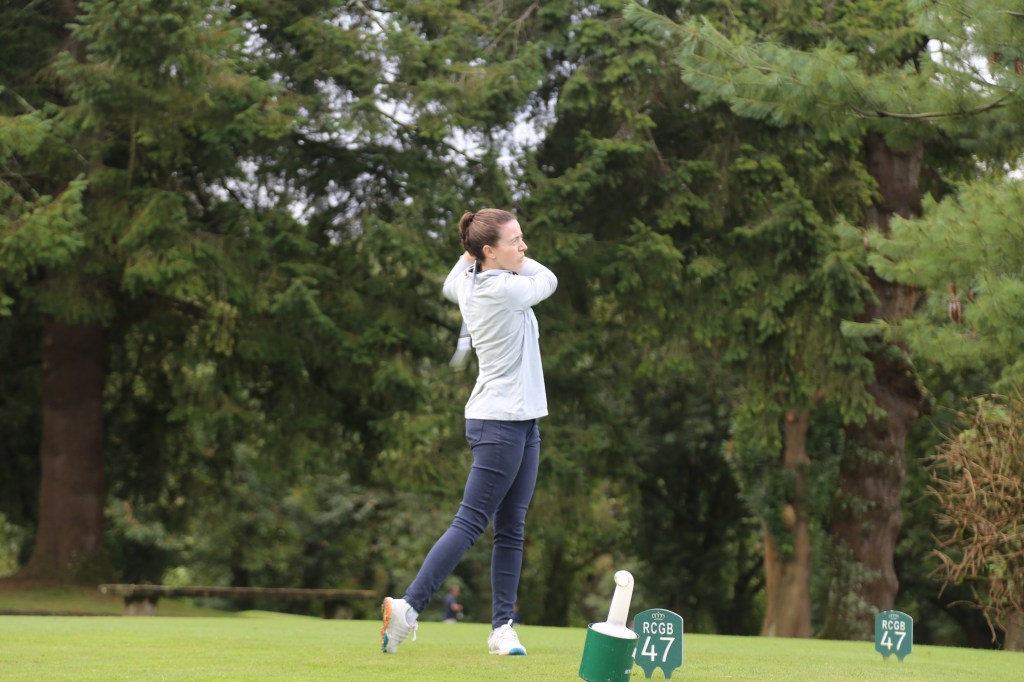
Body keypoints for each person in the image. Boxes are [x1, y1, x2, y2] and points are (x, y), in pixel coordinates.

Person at [380, 208, 557, 657]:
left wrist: (475, 257)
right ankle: (409, 606)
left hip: (522, 420)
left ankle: (502, 628)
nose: (524, 247)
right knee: (471, 521)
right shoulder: (503, 289)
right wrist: (495, 260)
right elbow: (549, 279)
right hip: (499, 423)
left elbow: (449, 282)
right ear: (489, 251)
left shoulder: (469, 280)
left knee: (511, 527)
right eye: (515, 241)